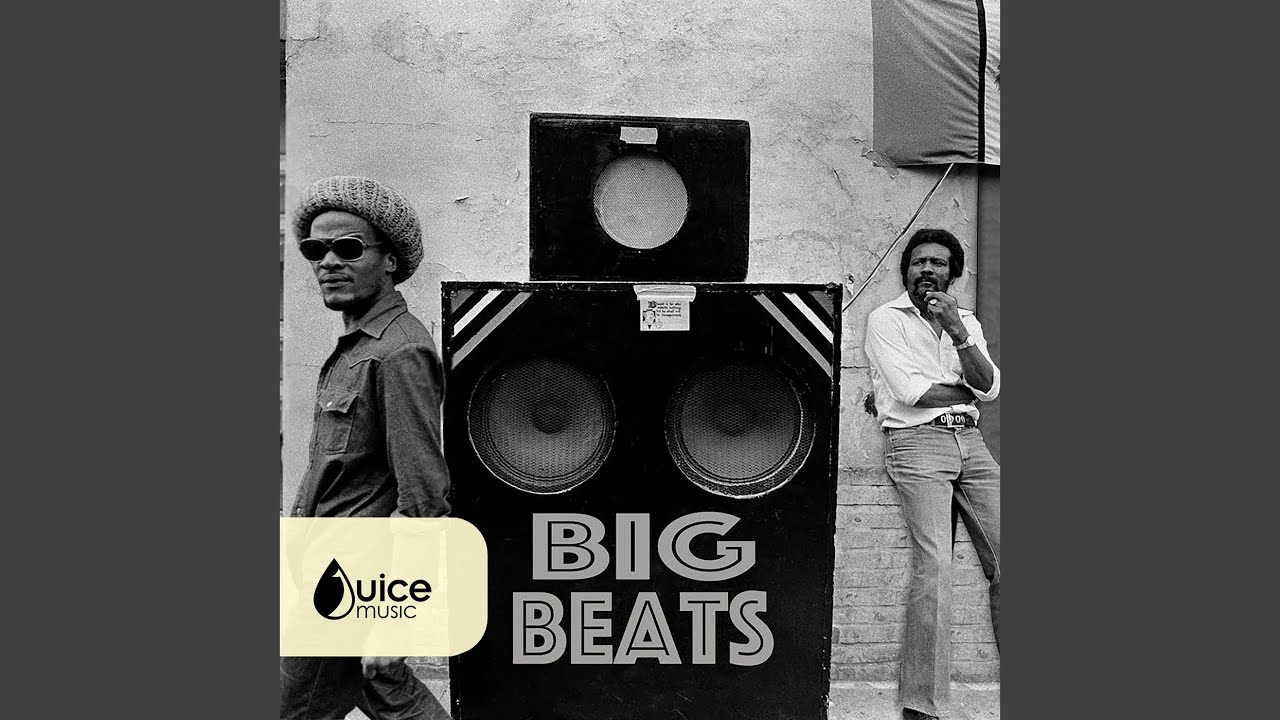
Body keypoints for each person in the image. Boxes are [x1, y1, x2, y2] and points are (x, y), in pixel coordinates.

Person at [281, 176, 452, 720]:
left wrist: (396, 618)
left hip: (351, 583)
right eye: (316, 250)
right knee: (391, 695)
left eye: (348, 248)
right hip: (326, 570)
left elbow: (423, 495)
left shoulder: (399, 352)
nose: (328, 262)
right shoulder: (357, 347)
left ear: (391, 260)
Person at [863, 228, 1001, 720]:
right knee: (935, 568)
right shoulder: (886, 319)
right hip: (917, 444)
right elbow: (911, 392)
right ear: (905, 271)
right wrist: (966, 390)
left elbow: (990, 385)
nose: (926, 270)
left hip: (972, 444)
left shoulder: (966, 322)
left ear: (953, 273)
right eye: (918, 262)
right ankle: (923, 706)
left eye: (937, 263)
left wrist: (959, 333)